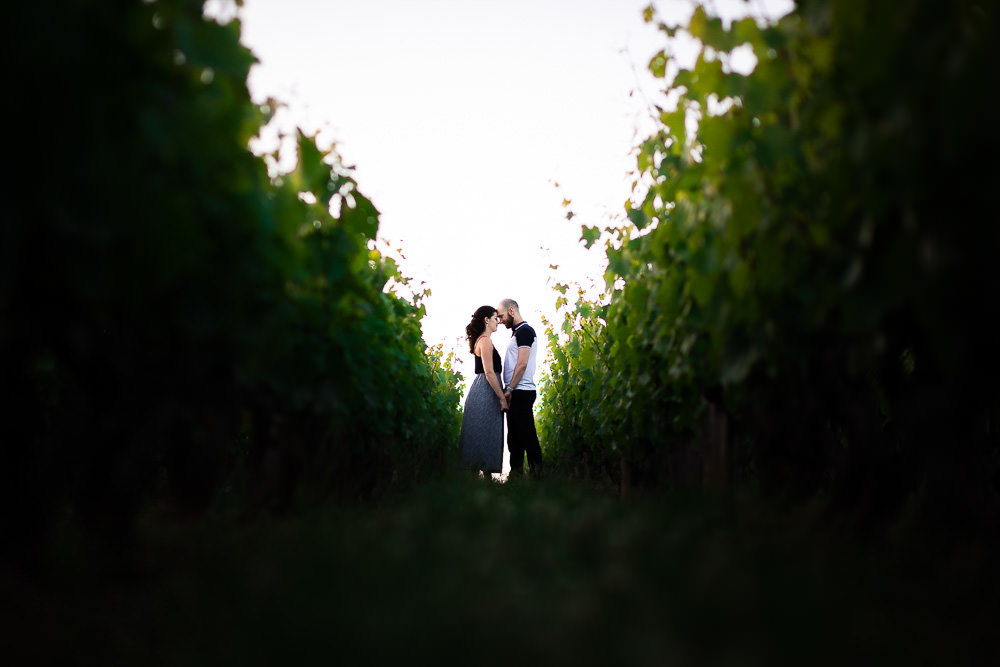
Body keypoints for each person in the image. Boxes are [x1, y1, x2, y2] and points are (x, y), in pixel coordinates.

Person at [458, 305, 508, 477]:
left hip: (483, 390)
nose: (498, 322)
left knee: (481, 432)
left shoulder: (481, 340)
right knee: (484, 432)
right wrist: (502, 397)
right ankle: (483, 482)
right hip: (486, 392)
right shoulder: (485, 341)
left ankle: (481, 482)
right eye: (496, 318)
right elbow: (488, 372)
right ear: (486, 320)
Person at [497, 298, 542, 477]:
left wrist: (510, 389)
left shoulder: (525, 331)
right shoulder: (517, 333)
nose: (500, 321)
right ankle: (516, 474)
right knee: (514, 437)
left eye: (501, 316)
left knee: (527, 434)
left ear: (511, 311)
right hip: (517, 391)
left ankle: (537, 473)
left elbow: (522, 364)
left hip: (521, 391)